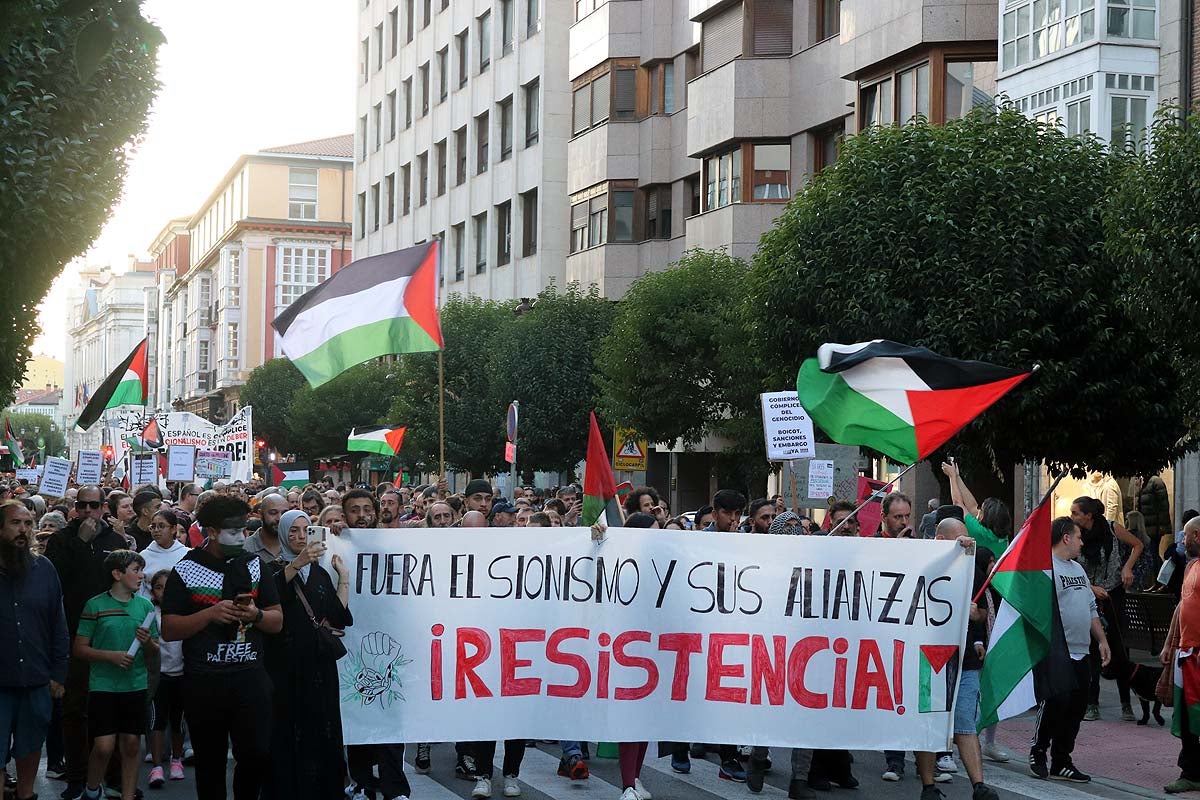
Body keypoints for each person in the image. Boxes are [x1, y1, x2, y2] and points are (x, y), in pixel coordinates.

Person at [161, 495, 283, 800]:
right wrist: (209, 614)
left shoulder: (255, 565)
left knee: (256, 754)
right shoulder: (186, 570)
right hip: (205, 683)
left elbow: (277, 620)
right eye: (232, 531)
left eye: (243, 530)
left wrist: (255, 615)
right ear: (211, 532)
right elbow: (169, 628)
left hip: (250, 680)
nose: (241, 537)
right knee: (209, 763)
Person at [44, 484, 129, 800]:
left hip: (111, 637)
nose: (88, 512)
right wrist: (81, 543)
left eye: (94, 505)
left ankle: (114, 776)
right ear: (75, 508)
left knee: (111, 707)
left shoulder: (116, 542)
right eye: (82, 506)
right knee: (75, 710)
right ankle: (77, 778)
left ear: (104, 506)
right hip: (74, 635)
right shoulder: (62, 540)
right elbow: (56, 580)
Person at [264, 510, 352, 800]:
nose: (301, 537)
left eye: (306, 530)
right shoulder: (270, 568)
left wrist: (344, 577)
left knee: (322, 726)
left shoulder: (320, 573)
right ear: (283, 535)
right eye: (294, 532)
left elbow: (336, 616)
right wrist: (298, 563)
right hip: (285, 666)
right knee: (288, 728)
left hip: (319, 666)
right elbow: (270, 594)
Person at [1030, 516, 1110, 783]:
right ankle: (1038, 751)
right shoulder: (1045, 569)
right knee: (1055, 702)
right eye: (1078, 536)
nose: (1081, 542)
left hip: (1081, 651)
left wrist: (1101, 640)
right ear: (1066, 537)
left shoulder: (1078, 569)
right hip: (1056, 651)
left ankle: (1062, 760)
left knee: (1076, 708)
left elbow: (1089, 608)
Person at [73, 550, 159, 800]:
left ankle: (128, 795)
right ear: (117, 574)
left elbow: (154, 648)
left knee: (132, 743)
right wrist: (111, 656)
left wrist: (147, 644)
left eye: (142, 570)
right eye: (136, 570)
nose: (141, 575)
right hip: (104, 685)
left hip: (135, 683)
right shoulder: (95, 605)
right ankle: (91, 790)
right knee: (103, 746)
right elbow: (79, 648)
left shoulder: (144, 606)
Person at [0, 499, 69, 800]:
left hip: (36, 680)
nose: (24, 530)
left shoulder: (44, 569)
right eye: (16, 523)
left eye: (28, 523)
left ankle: (26, 795)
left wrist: (59, 673)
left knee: (29, 749)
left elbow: (58, 623)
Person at [930, 519, 1000, 800]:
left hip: (966, 660)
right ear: (940, 540)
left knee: (965, 722)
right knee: (930, 720)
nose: (967, 544)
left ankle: (978, 785)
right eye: (960, 539)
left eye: (968, 539)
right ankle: (927, 784)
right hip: (932, 657)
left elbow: (983, 613)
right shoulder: (926, 566)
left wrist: (975, 615)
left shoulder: (974, 571)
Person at [1071, 495, 1141, 721]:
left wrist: (1127, 568)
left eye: (1076, 513)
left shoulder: (1111, 528)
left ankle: (1126, 702)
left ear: (1088, 515)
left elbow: (1138, 545)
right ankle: (1092, 703)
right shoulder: (1074, 535)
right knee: (1091, 648)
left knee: (1119, 647)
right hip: (1087, 594)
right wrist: (1090, 588)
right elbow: (1068, 565)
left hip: (1113, 594)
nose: (1072, 516)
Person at [1163, 515, 1200, 793]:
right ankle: (1190, 772)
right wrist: (1169, 644)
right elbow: (1181, 609)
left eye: (1185, 536)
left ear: (1196, 536)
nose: (1182, 541)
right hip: (1186, 654)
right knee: (1187, 717)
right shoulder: (1190, 567)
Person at [145, 570, 186, 788]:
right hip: (159, 674)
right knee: (157, 720)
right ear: (153, 591)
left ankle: (177, 760)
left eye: (168, 586)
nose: (164, 591)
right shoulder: (151, 612)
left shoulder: (185, 611)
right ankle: (157, 766)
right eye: (159, 587)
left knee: (178, 720)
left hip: (181, 673)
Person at [244, 493, 287, 562]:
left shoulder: (294, 545)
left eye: (284, 513)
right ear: (260, 514)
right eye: (273, 513)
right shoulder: (246, 548)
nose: (279, 518)